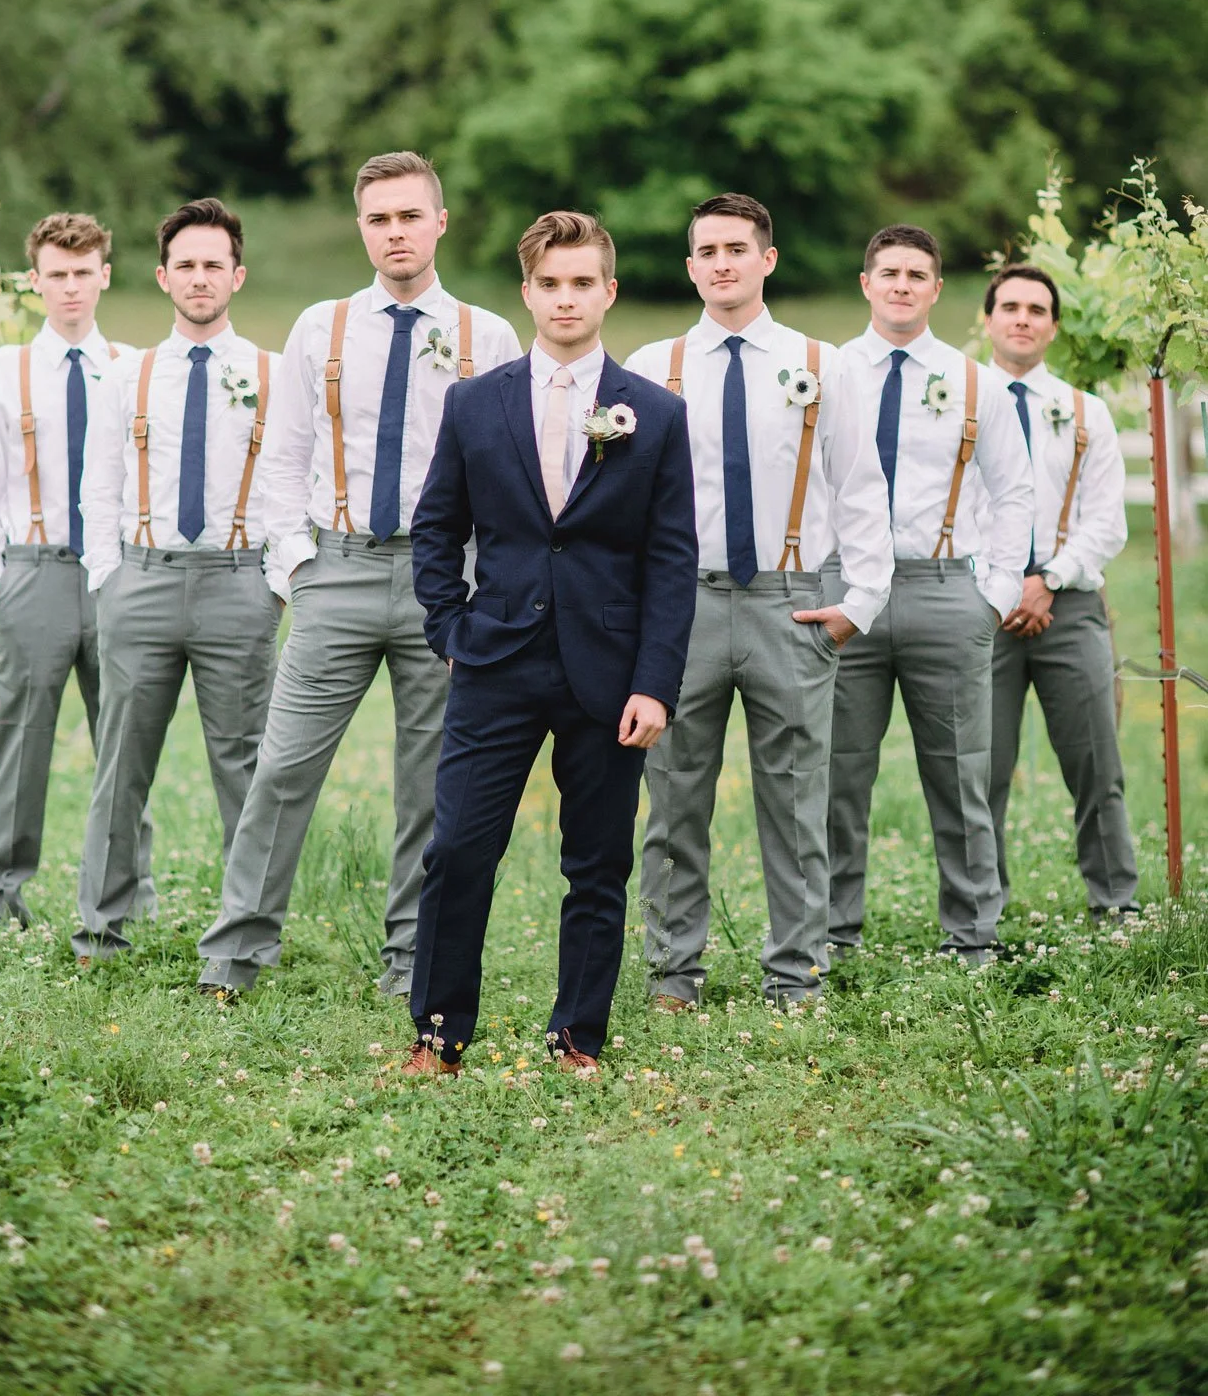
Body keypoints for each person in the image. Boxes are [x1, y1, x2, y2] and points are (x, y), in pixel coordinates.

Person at [197, 151, 522, 1000]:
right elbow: (284, 455)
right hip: (335, 570)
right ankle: (234, 955)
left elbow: (511, 474)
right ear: (361, 228)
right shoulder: (321, 327)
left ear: (439, 222)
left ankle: (410, 961)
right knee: (282, 768)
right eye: (379, 219)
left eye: (410, 216)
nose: (396, 232)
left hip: (442, 581)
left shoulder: (487, 336)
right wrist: (295, 563)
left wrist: (482, 586)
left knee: (431, 783)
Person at [397, 210, 698, 1078]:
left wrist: (656, 682)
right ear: (526, 291)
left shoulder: (655, 415)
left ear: (608, 290)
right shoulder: (473, 402)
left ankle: (578, 1036)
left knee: (596, 861)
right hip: (494, 660)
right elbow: (435, 530)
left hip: (609, 674)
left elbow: (671, 560)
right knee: (456, 850)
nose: (565, 299)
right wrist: (450, 627)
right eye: (549, 283)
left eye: (582, 283)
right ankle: (439, 1034)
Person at [626, 194, 893, 1008]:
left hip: (792, 603)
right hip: (685, 606)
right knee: (672, 798)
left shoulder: (822, 362)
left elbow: (858, 486)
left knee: (796, 798)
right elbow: (623, 502)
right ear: (689, 266)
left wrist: (862, 600)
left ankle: (796, 973)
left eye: (736, 249)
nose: (721, 264)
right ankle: (674, 973)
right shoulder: (651, 365)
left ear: (766, 260)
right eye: (705, 251)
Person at [72, 197, 285, 963]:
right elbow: (97, 485)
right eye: (186, 266)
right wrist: (108, 577)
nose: (200, 278)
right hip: (143, 579)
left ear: (238, 275)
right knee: (121, 762)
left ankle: (242, 941)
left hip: (238, 584)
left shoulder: (272, 373)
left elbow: (288, 484)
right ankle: (100, 928)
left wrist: (276, 584)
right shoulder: (129, 375)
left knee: (245, 766)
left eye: (214, 265)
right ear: (163, 277)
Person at [826, 225, 1033, 964]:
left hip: (943, 590)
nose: (902, 284)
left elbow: (1014, 492)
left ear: (937, 290)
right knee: (836, 777)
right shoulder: (828, 371)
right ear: (865, 283)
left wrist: (993, 593)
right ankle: (832, 935)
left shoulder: (974, 380)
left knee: (958, 773)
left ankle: (972, 935)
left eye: (917, 274)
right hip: (847, 593)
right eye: (889, 271)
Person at [0, 212, 151, 926]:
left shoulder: (133, 367)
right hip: (32, 571)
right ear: (33, 280)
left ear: (104, 274)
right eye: (56, 275)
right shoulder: (4, 370)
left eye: (83, 273)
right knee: (21, 738)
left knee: (127, 739)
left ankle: (128, 897)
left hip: (116, 573)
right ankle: (0, 895)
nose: (70, 288)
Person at [981, 263, 1137, 920]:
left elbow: (1108, 521)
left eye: (1036, 309)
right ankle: (977, 915)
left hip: (1066, 608)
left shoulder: (1084, 412)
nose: (1022, 318)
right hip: (980, 610)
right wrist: (995, 587)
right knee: (977, 774)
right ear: (987, 320)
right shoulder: (958, 402)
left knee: (1095, 765)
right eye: (1010, 306)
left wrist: (1047, 579)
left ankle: (1116, 904)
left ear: (1051, 327)